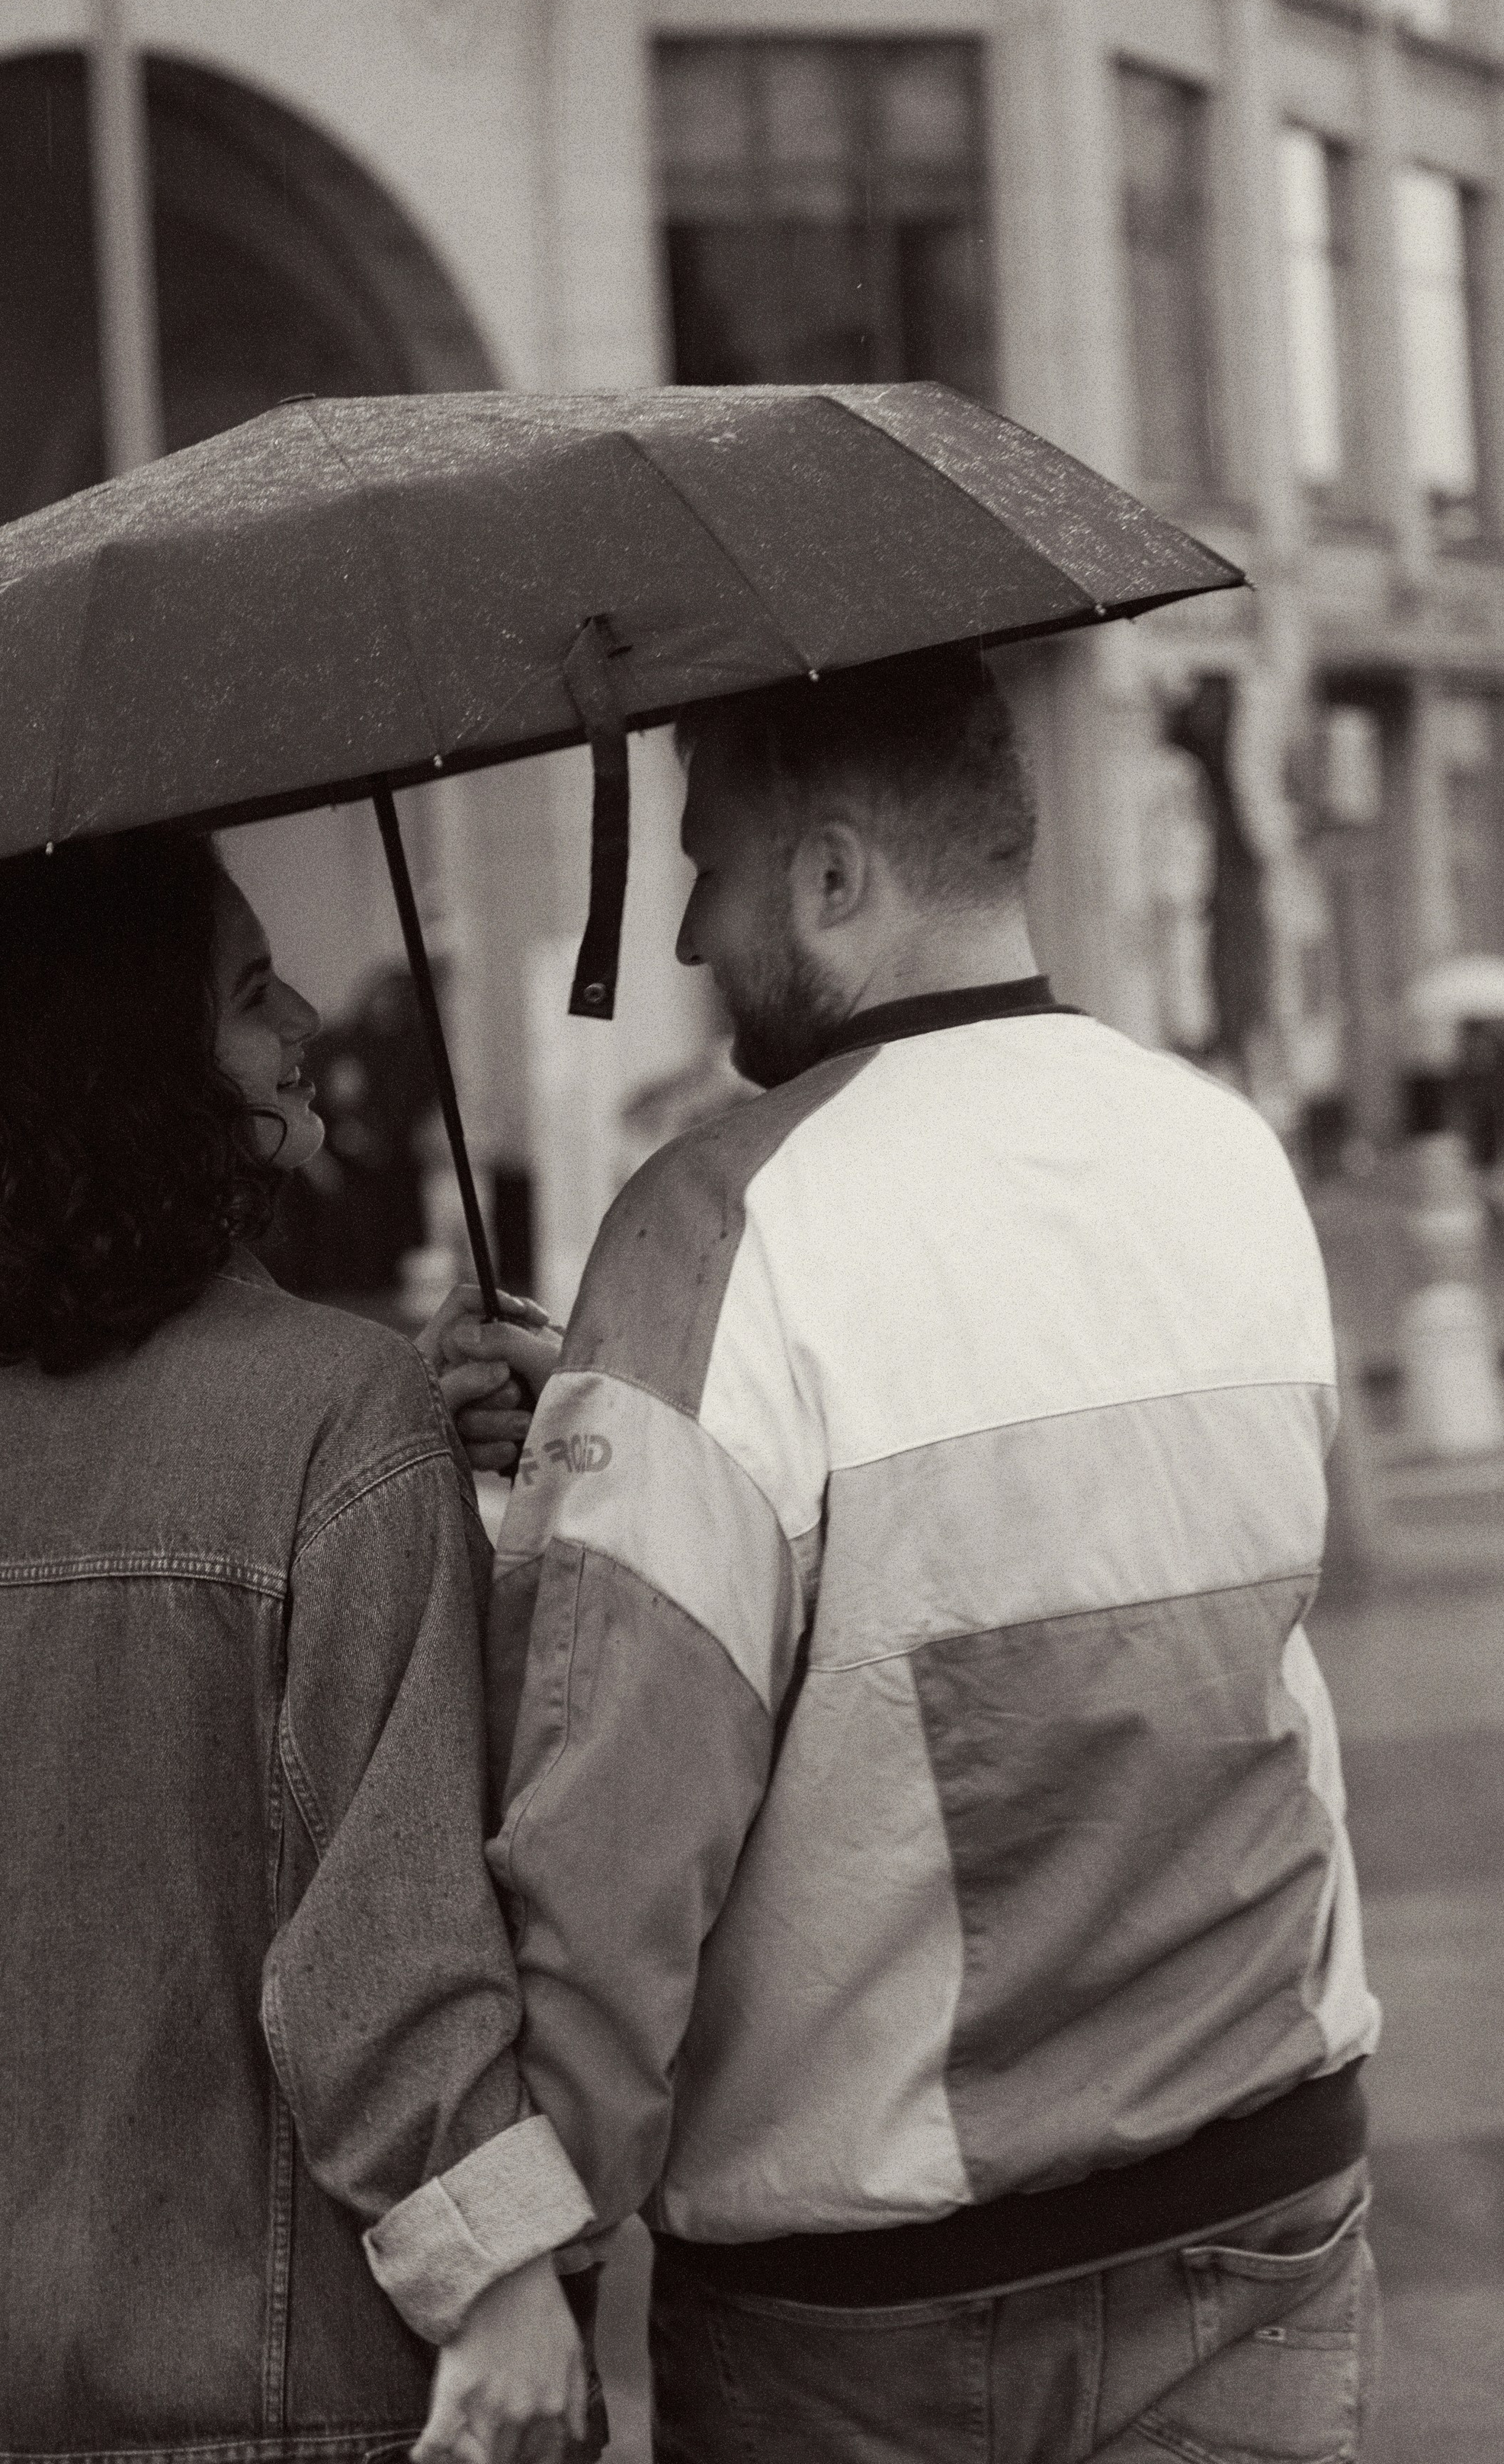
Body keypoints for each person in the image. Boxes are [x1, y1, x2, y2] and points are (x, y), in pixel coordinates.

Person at [449, 652, 1381, 2462]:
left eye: (708, 866)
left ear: (831, 879)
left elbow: (611, 1837)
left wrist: (523, 2242)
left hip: (882, 2310)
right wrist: (630, 1411)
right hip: (1263, 2193)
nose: (692, 937)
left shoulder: (714, 1229)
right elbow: (1059, 1536)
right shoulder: (1217, 1152)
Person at [0, 832, 597, 2464]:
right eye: (253, 994)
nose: (308, 1021)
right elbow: (382, 1945)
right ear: (141, 1073)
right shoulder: (334, 1420)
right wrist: (501, 2280)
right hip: (279, 2395)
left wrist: (394, 1427)